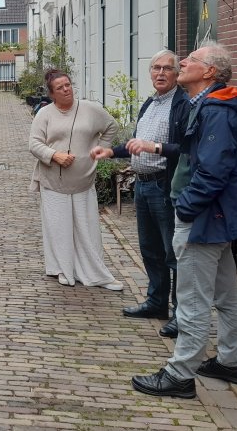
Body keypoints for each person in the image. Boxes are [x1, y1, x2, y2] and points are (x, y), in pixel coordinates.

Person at [131, 41, 237, 399]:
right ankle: (232, 362)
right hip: (216, 218)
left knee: (192, 298)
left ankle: (180, 374)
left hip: (204, 219)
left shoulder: (218, 111)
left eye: (191, 59)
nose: (183, 62)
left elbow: (212, 171)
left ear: (209, 72)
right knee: (227, 292)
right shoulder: (212, 104)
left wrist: (186, 207)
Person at [90, 50, 189, 339]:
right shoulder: (150, 104)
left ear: (176, 74)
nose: (160, 73)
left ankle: (180, 315)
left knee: (173, 253)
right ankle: (156, 303)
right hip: (142, 185)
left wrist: (153, 147)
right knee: (150, 250)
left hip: (164, 186)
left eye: (167, 69)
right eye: (156, 68)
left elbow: (184, 149)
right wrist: (111, 151)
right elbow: (137, 144)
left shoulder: (182, 106)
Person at [29, 70, 123, 290]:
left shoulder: (90, 109)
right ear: (52, 93)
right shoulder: (44, 114)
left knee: (87, 228)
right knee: (59, 227)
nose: (66, 89)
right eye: (60, 87)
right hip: (53, 181)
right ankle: (63, 268)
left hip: (83, 180)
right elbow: (34, 143)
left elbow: (112, 126)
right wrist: (54, 155)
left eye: (68, 84)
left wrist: (103, 149)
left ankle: (94, 272)